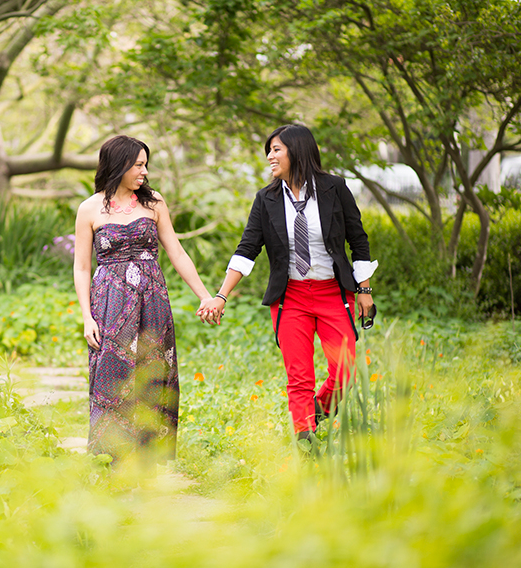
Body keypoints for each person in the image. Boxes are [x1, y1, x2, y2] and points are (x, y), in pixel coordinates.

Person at [198, 124, 377, 450]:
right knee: (299, 377)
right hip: (291, 298)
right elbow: (247, 249)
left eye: (276, 149)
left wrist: (364, 289)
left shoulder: (334, 188)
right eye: (269, 150)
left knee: (346, 368)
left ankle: (317, 411)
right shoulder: (266, 199)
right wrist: (221, 295)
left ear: (298, 151)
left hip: (333, 293)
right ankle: (304, 440)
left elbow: (358, 240)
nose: (270, 156)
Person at [74, 135, 216, 465]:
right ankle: (110, 458)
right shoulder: (90, 208)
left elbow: (177, 252)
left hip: (152, 299)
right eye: (138, 164)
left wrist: (205, 295)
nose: (144, 170)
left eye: (145, 164)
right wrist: (86, 316)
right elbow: (82, 266)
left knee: (153, 373)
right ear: (119, 165)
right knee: (111, 375)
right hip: (109, 303)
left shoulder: (154, 203)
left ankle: (150, 459)